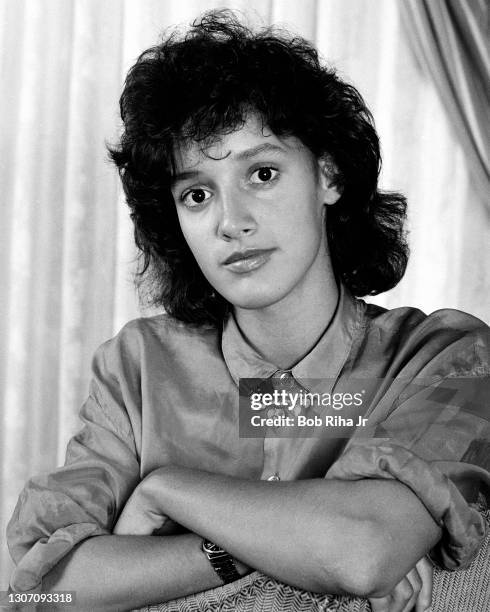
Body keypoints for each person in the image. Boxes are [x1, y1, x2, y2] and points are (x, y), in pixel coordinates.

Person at [6, 10, 489, 612]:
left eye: (261, 173)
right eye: (197, 194)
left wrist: (166, 492)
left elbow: (360, 551)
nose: (231, 222)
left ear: (329, 175)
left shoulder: (447, 356)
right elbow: (44, 594)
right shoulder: (138, 366)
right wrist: (256, 545)